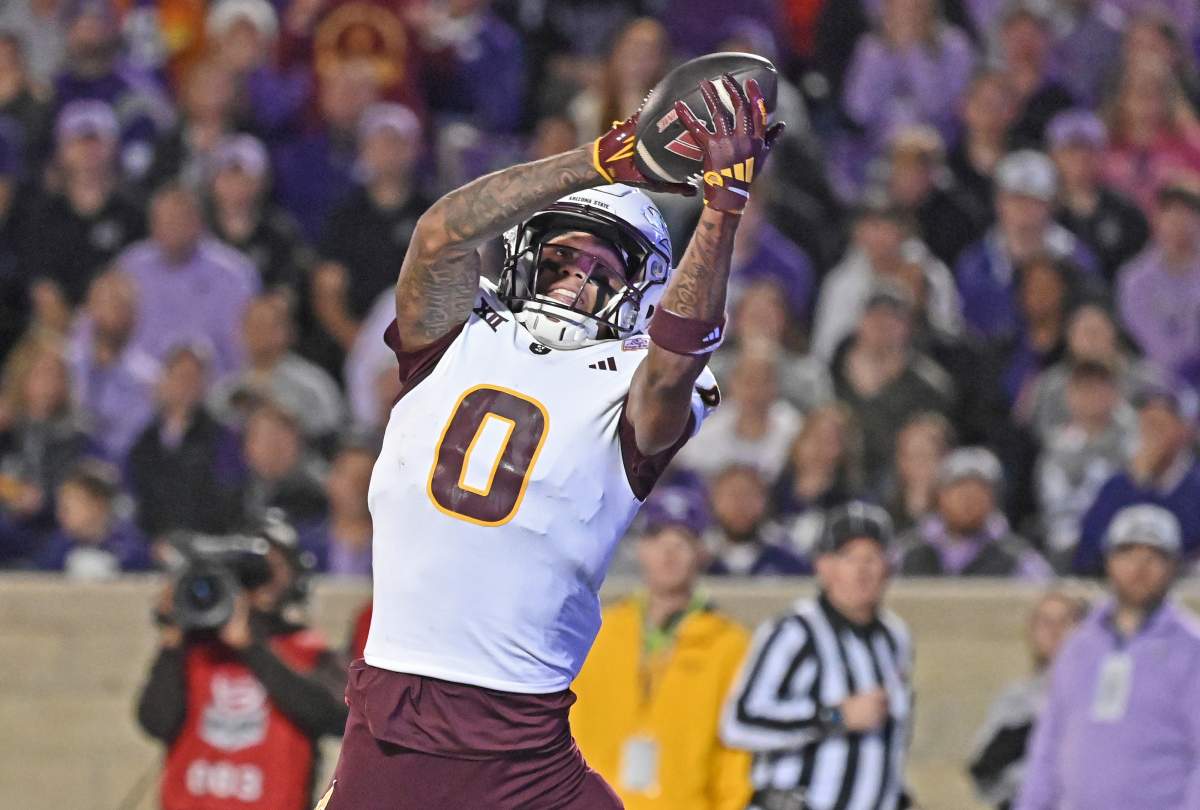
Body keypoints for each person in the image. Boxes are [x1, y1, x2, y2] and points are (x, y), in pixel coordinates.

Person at [322, 73, 784, 809]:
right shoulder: (457, 336)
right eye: (561, 258)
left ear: (641, 291)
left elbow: (673, 367)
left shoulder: (631, 377)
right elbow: (439, 235)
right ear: (523, 257)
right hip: (400, 714)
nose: (575, 278)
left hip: (524, 742)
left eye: (602, 270)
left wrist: (721, 213)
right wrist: (600, 160)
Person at [135, 518, 348, 810]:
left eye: (274, 567)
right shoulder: (195, 647)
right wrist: (172, 642)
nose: (263, 580)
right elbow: (155, 722)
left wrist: (251, 646)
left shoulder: (305, 649)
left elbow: (333, 717)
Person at [721, 502, 914, 810]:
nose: (862, 570)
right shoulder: (795, 632)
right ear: (824, 566)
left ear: (888, 567)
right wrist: (835, 717)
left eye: (872, 557)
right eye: (848, 557)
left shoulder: (894, 637)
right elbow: (739, 723)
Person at [570, 488, 753, 810]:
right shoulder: (597, 631)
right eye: (657, 538)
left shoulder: (730, 644)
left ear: (702, 552)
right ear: (640, 548)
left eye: (682, 541)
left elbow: (737, 755)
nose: (669, 553)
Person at [1016, 504, 1200, 810]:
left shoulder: (1191, 649)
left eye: (1153, 556)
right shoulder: (1079, 645)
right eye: (1127, 554)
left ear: (1173, 566)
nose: (1139, 568)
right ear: (1109, 560)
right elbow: (1049, 743)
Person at [955, 149, 1099, 341]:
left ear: (1052, 204)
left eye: (1034, 201)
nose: (1023, 209)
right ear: (999, 202)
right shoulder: (975, 264)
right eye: (1015, 199)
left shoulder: (1076, 257)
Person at [118, 184, 260, 377]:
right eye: (163, 221)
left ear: (199, 223)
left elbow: (246, 346)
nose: (171, 229)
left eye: (179, 220)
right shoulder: (130, 266)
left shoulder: (233, 274)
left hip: (213, 385)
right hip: (137, 386)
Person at [831, 280, 956, 494]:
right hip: (840, 476)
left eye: (892, 318)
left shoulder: (930, 385)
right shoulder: (836, 368)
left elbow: (931, 446)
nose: (882, 326)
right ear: (860, 322)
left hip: (896, 483)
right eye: (874, 317)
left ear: (907, 327)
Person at [968, 591, 1089, 810]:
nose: (1055, 631)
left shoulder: (1099, 696)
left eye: (1065, 621)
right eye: (1046, 622)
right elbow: (983, 770)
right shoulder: (1016, 698)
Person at [1075, 381, 1200, 575]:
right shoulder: (1118, 485)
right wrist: (1137, 482)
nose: (1152, 435)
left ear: (1184, 430)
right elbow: (1087, 554)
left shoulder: (1194, 486)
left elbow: (1184, 545)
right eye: (1147, 424)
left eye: (1160, 426)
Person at [127, 345, 241, 542]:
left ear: (205, 384)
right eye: (180, 376)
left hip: (205, 543)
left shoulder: (222, 438)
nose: (186, 385)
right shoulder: (145, 441)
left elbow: (228, 498)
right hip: (153, 546)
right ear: (165, 380)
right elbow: (136, 497)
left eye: (193, 377)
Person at [1036, 361, 1134, 571]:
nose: (1092, 397)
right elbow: (1055, 511)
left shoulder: (1133, 442)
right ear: (1069, 395)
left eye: (1099, 388)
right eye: (1084, 388)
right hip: (1068, 547)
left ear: (1115, 393)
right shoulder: (1055, 448)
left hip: (1123, 541)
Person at [897, 447, 1052, 579]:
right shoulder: (907, 552)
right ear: (940, 495)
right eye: (959, 489)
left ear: (993, 499)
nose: (968, 501)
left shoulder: (1018, 558)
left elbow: (1050, 595)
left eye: (978, 491)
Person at [207, 296, 344, 441]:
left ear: (287, 332)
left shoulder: (312, 384)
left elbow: (332, 431)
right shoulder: (226, 390)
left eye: (265, 326)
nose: (256, 333)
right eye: (251, 325)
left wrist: (289, 419)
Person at [66, 269, 160, 463]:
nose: (113, 312)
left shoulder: (150, 380)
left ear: (135, 316)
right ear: (88, 309)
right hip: (60, 463)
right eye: (104, 303)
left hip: (119, 468)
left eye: (121, 305)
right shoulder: (65, 364)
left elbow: (135, 439)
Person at [1048, 109, 1149, 284]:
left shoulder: (1124, 210)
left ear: (1102, 154)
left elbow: (1140, 267)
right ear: (1054, 155)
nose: (1081, 158)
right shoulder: (1044, 210)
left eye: (1089, 149)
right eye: (1071, 150)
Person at [1116, 183, 1200, 378]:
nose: (1180, 224)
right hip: (1155, 379)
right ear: (1156, 220)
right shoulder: (1134, 279)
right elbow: (1147, 340)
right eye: (1172, 215)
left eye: (1188, 215)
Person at [33, 458, 149, 577]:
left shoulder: (131, 547)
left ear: (97, 505)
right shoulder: (56, 547)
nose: (60, 514)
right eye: (60, 507)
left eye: (68, 508)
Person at [704, 464, 808, 577]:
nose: (740, 505)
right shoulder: (700, 564)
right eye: (731, 495)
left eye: (749, 495)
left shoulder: (789, 564)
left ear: (766, 502)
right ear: (714, 501)